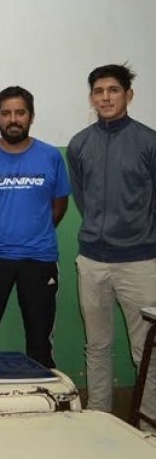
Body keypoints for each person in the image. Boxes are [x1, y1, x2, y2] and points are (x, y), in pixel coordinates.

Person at [67, 64, 156, 426]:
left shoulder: (149, 142)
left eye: (113, 90)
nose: (105, 97)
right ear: (91, 98)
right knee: (97, 345)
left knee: (147, 352)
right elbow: (83, 198)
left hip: (139, 263)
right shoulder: (79, 144)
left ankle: (149, 426)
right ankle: (99, 420)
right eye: (99, 91)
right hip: (92, 262)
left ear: (128, 95)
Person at [0, 86, 70, 368]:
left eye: (20, 113)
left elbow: (59, 204)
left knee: (40, 341)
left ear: (31, 116)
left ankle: (43, 393)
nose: (13, 119)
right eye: (6, 113)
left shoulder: (50, 156)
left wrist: (36, 231)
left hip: (39, 259)